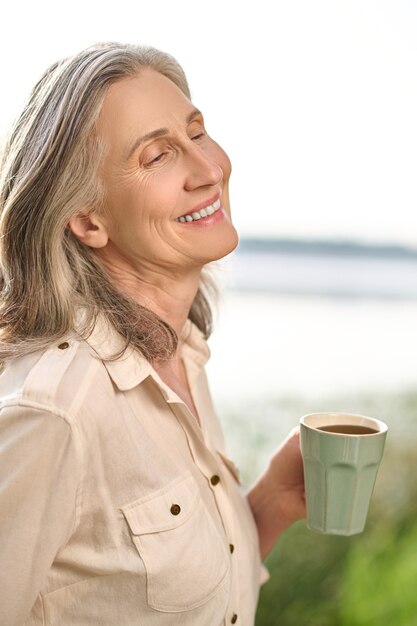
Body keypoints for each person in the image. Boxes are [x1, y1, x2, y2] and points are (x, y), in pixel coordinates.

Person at [0, 42, 305, 625]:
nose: (209, 168)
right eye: (158, 156)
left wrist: (267, 506)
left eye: (197, 132)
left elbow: (147, 598)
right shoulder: (53, 413)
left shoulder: (178, 352)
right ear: (89, 220)